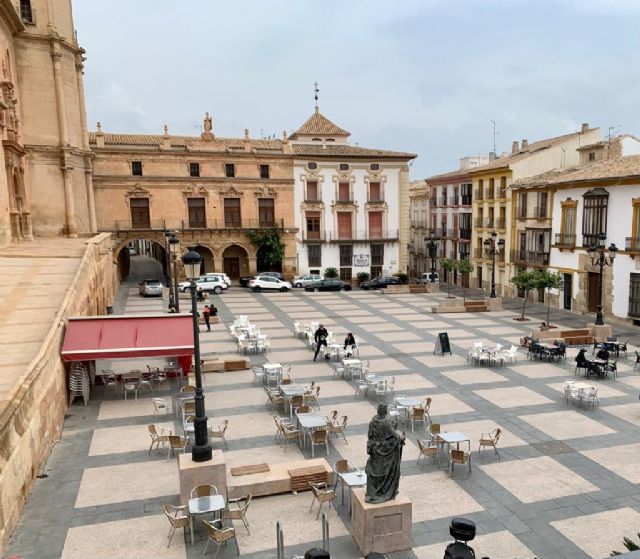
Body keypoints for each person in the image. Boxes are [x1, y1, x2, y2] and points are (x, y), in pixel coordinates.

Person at [365, 403, 405, 503]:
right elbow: (395, 435)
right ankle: (383, 491)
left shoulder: (373, 421)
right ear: (385, 411)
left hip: (375, 450)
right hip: (385, 452)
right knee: (386, 470)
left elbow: (370, 435)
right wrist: (401, 437)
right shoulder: (386, 423)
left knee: (375, 470)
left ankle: (374, 491)